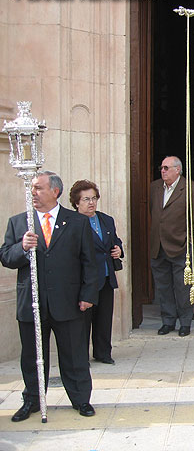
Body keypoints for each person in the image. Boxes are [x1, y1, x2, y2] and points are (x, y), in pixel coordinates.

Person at [0, 171, 100, 421]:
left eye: (38, 188)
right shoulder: (19, 222)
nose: (33, 193)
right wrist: (22, 247)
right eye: (32, 189)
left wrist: (88, 294)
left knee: (75, 355)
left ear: (55, 191)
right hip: (32, 304)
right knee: (32, 357)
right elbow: (6, 257)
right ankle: (33, 400)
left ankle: (80, 399)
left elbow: (90, 262)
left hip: (69, 302)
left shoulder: (77, 222)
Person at [69, 180, 123, 365]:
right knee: (83, 321)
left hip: (106, 276)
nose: (91, 203)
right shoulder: (72, 222)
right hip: (84, 280)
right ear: (77, 202)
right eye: (86, 199)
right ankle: (81, 357)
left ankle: (103, 353)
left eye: (93, 198)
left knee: (104, 318)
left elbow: (115, 241)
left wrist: (118, 249)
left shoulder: (105, 219)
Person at [150, 156, 194, 337]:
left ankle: (185, 322)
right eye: (161, 168)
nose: (162, 171)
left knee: (182, 286)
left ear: (177, 170)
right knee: (163, 286)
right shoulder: (155, 187)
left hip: (180, 246)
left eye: (166, 168)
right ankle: (168, 321)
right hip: (158, 245)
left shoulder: (191, 188)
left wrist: (191, 242)